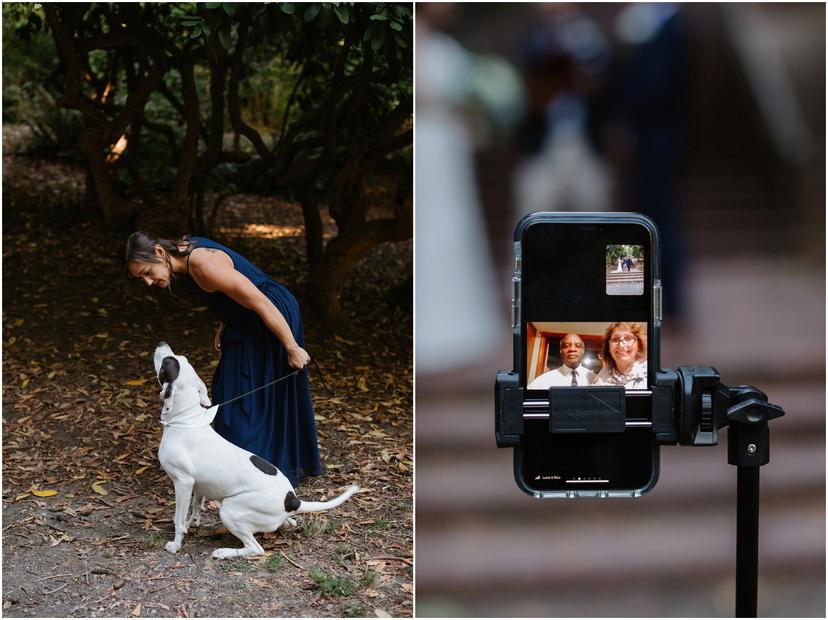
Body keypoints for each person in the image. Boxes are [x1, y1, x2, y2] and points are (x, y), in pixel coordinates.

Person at [123, 232, 322, 487]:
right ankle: (243, 473)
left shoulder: (204, 264)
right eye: (142, 278)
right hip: (244, 319)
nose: (149, 282)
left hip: (269, 317)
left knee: (246, 402)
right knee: (228, 393)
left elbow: (260, 300)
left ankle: (260, 478)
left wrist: (291, 346)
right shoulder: (185, 252)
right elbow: (233, 289)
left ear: (160, 253)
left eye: (147, 272)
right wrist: (225, 321)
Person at [527, 333, 596, 388]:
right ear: (561, 351)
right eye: (566, 346)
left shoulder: (595, 378)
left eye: (578, 346)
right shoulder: (544, 380)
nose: (572, 349)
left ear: (583, 351)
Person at [592, 322, 647, 389]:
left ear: (639, 345)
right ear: (608, 347)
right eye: (615, 339)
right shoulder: (602, 377)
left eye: (628, 339)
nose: (621, 345)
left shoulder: (649, 375)